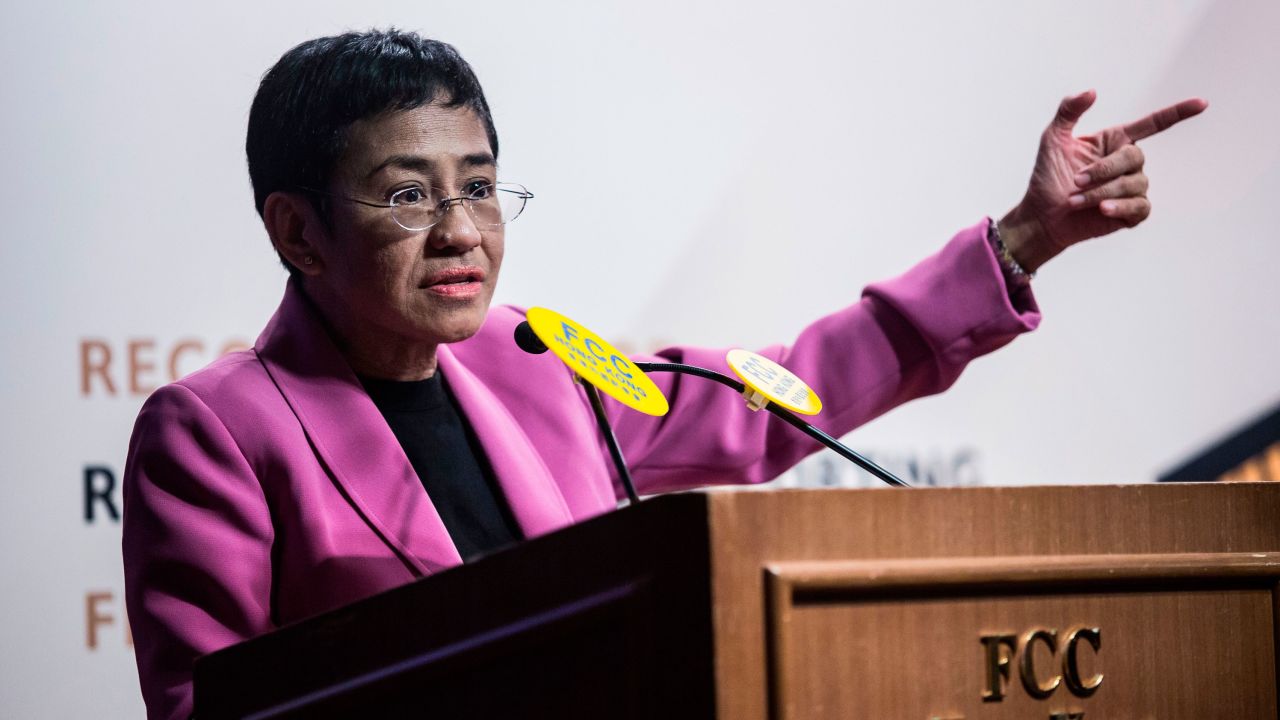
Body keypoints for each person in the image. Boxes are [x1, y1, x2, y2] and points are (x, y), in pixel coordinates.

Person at [121, 28, 1205, 720]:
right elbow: (206, 710)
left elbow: (781, 395)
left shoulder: (539, 358)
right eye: (408, 195)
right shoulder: (215, 430)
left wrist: (1017, 242)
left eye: (481, 186)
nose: (461, 231)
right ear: (298, 232)